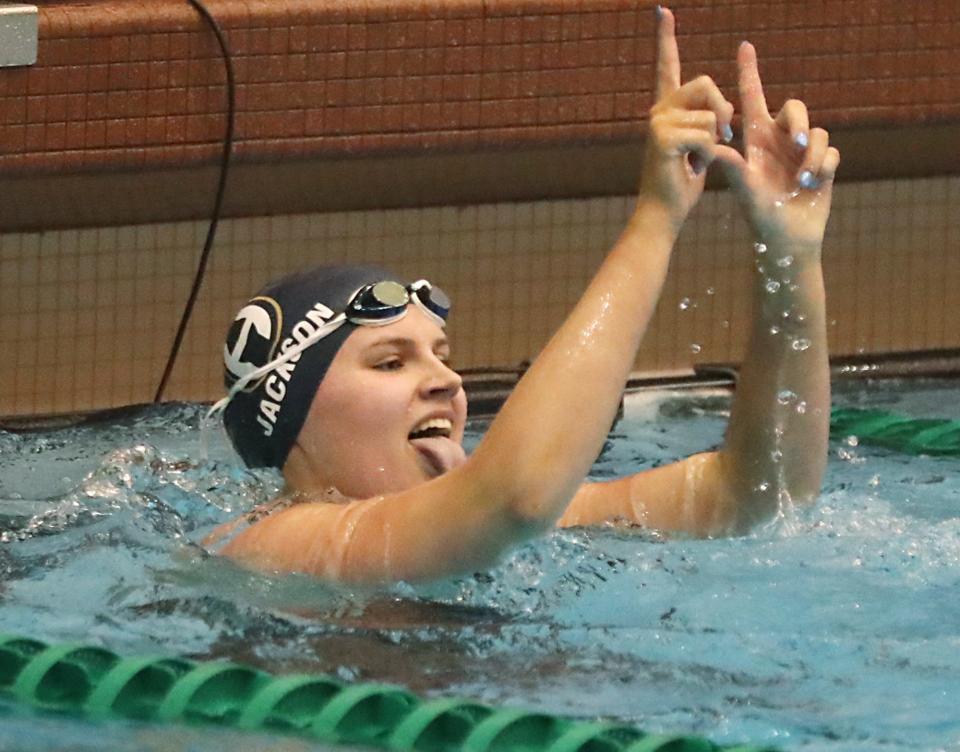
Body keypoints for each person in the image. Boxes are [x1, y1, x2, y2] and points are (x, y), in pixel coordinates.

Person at [206, 8, 839, 585]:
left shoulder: (483, 513)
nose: (447, 383)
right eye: (390, 361)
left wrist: (791, 257)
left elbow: (757, 491)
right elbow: (516, 497)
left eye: (440, 355)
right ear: (290, 422)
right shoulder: (272, 545)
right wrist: (657, 217)